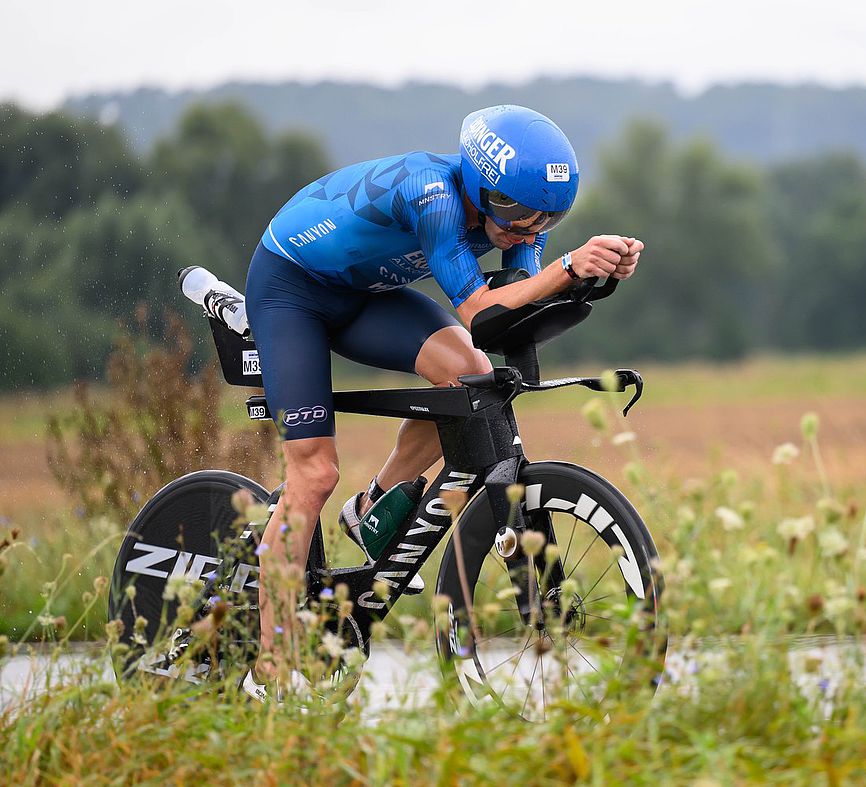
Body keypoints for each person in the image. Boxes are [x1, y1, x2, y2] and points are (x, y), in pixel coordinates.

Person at [239, 105, 643, 700]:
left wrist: (590, 279)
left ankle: (373, 506)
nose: (528, 230)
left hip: (362, 295)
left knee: (470, 378)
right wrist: (565, 266)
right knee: (314, 471)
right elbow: (480, 312)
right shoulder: (435, 196)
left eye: (545, 219)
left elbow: (511, 308)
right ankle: (268, 669)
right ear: (482, 184)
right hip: (290, 289)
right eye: (515, 214)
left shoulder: (523, 216)